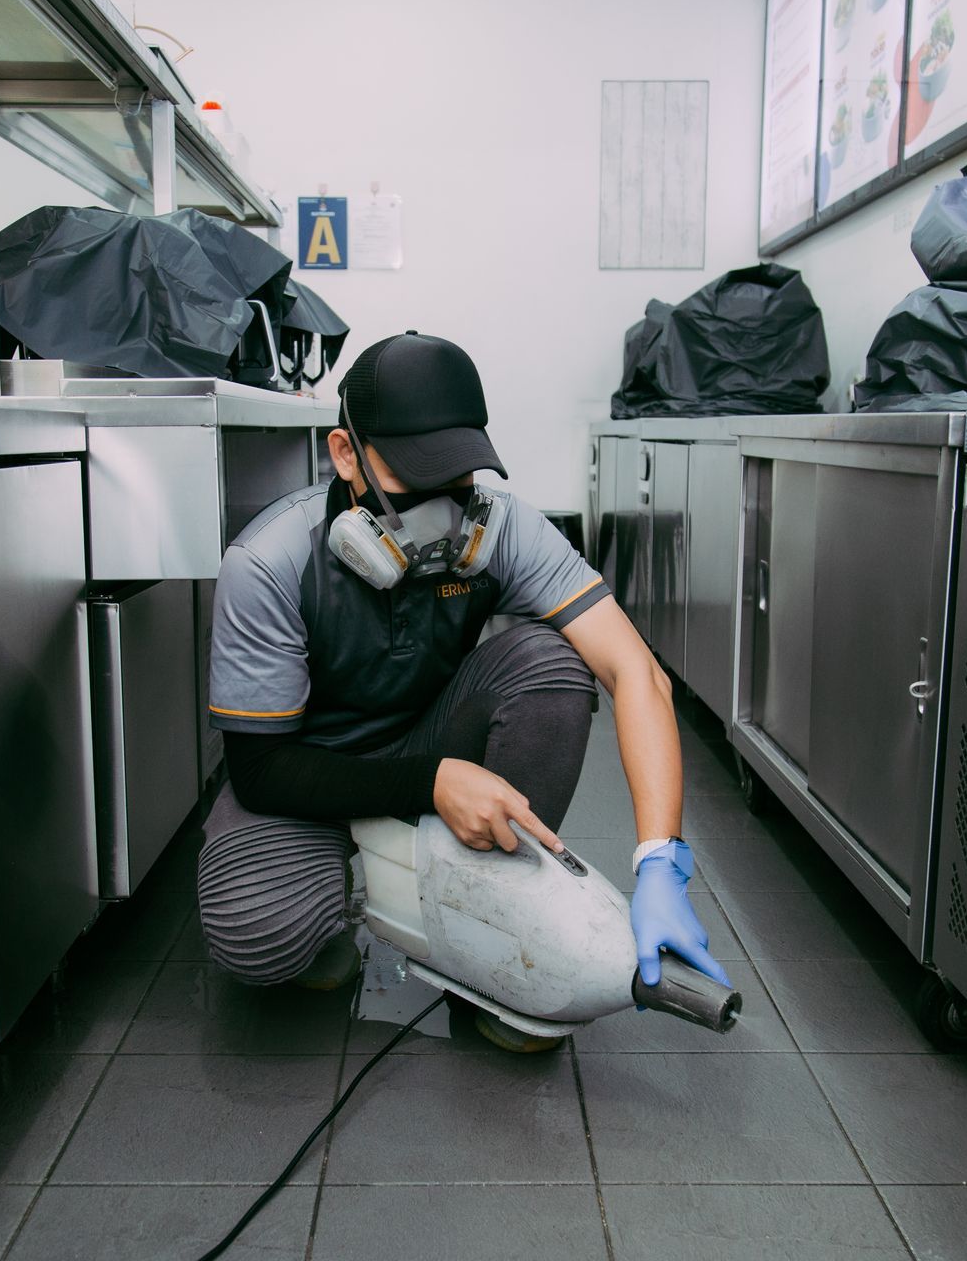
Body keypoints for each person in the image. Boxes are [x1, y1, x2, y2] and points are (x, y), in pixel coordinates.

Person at [198, 330, 726, 1050]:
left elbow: (636, 672)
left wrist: (660, 859)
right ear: (346, 455)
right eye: (419, 481)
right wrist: (431, 784)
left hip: (427, 730)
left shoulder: (502, 528)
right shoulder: (269, 564)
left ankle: (487, 931)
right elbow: (260, 771)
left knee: (551, 664)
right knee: (258, 934)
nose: (448, 512)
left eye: (460, 480)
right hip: (307, 767)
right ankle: (335, 892)